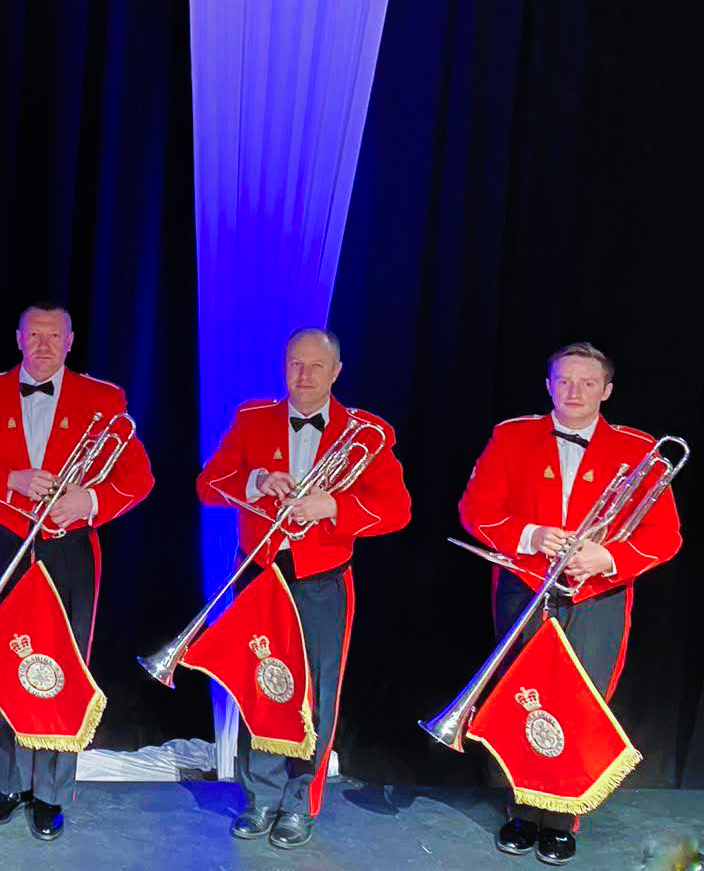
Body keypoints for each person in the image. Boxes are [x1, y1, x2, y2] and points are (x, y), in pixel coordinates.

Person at [458, 342, 681, 866]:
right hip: (525, 587)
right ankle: (521, 809)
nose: (574, 392)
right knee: (522, 702)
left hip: (597, 596)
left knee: (581, 707)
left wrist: (606, 556)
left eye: (586, 383)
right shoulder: (512, 436)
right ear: (548, 385)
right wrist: (532, 536)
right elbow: (476, 510)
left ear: (606, 390)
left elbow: (666, 536)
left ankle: (562, 819)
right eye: (563, 381)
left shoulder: (639, 447)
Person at [194, 327, 410, 851]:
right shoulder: (253, 419)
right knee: (261, 684)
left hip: (321, 578)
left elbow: (397, 510)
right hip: (261, 572)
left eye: (316, 367)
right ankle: (261, 797)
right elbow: (208, 483)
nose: (304, 376)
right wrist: (255, 482)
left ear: (337, 372)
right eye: (295, 364)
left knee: (317, 693)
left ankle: (299, 802)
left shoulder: (368, 431)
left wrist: (333, 506)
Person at [0, 303, 153, 840]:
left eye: (53, 336)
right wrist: (11, 478)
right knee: (3, 662)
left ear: (70, 340)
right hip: (9, 540)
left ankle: (52, 793)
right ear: (17, 338)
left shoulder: (105, 398)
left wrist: (89, 499)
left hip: (70, 548)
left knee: (63, 666)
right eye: (34, 335)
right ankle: (9, 782)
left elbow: (139, 477)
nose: (43, 344)